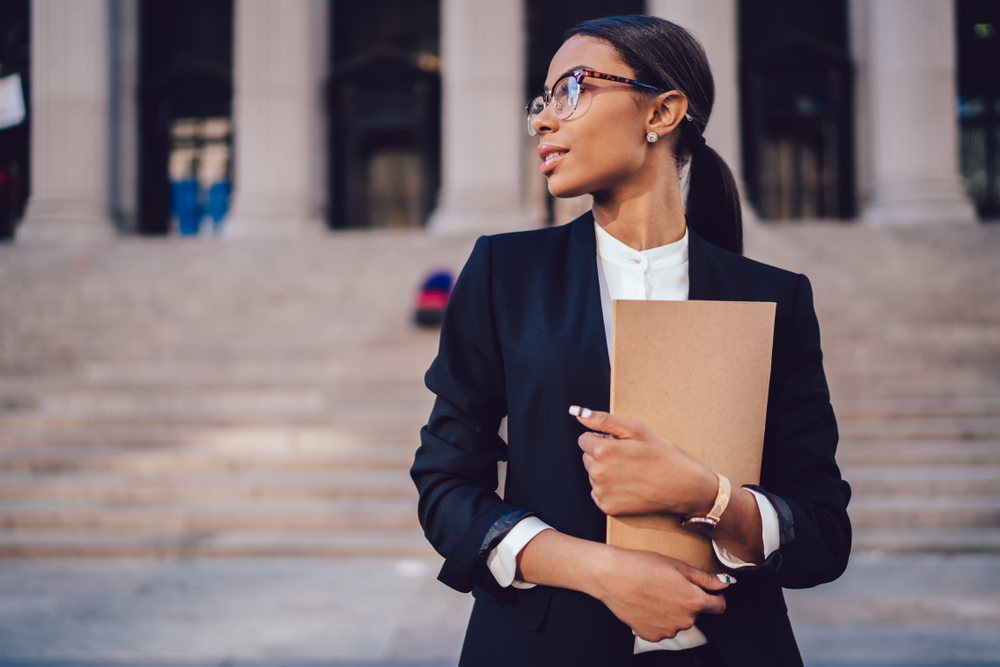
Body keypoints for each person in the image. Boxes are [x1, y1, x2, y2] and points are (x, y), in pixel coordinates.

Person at [410, 15, 851, 667]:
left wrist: (708, 496)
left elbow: (821, 533)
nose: (542, 121)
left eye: (572, 89)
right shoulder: (505, 273)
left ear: (664, 110)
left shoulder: (773, 296)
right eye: (541, 102)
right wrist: (600, 571)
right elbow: (445, 486)